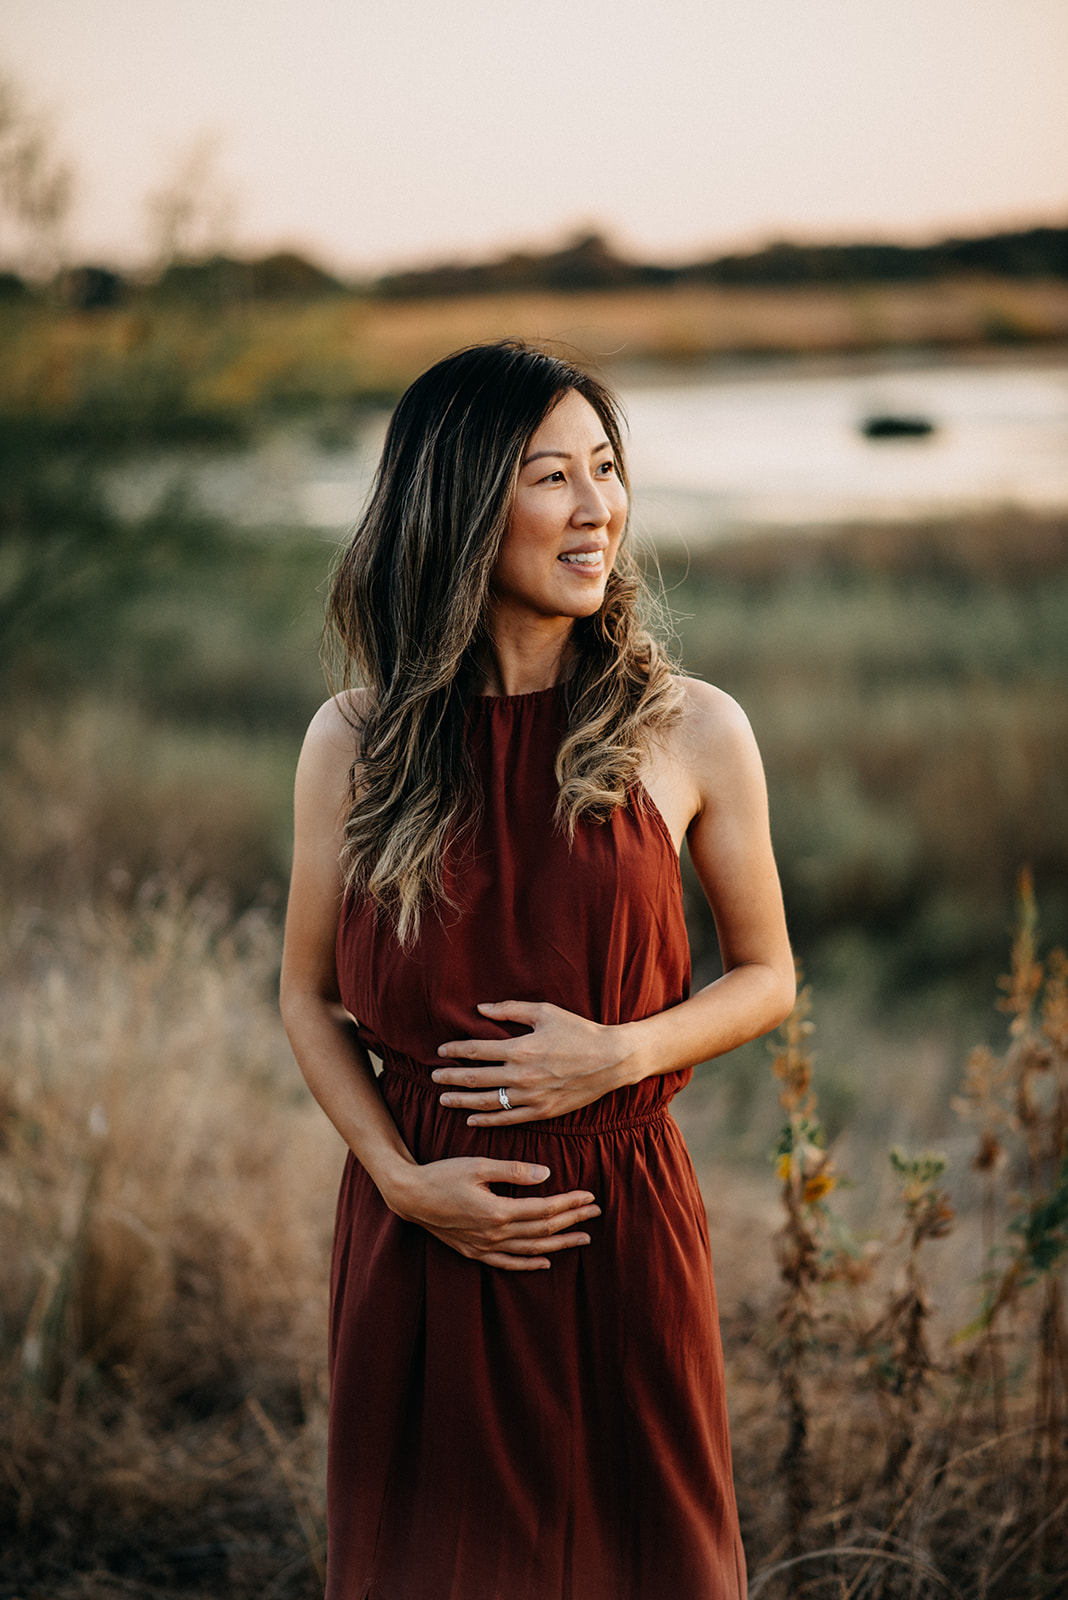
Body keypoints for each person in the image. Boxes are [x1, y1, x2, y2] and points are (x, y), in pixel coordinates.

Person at [280, 339, 795, 1600]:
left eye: (607, 469)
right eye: (548, 475)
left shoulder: (692, 726)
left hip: (620, 1220)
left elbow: (769, 974)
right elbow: (307, 995)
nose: (595, 508)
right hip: (426, 1231)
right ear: (460, 507)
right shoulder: (356, 741)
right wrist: (403, 1185)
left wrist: (624, 1051)